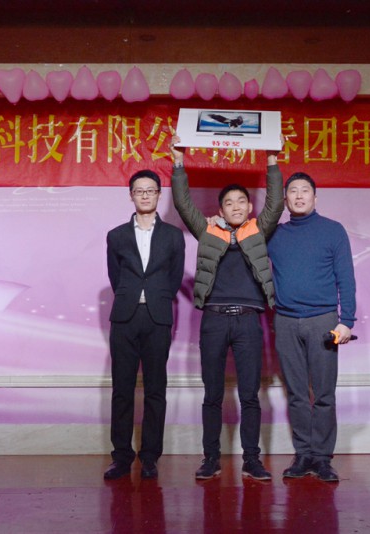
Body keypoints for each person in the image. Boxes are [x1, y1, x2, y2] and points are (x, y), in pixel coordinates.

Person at [170, 135, 283, 481]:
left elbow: (276, 203)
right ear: (220, 210)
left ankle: (252, 459)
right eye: (229, 203)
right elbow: (183, 203)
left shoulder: (258, 230)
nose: (235, 206)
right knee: (213, 394)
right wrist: (178, 162)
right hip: (214, 321)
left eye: (241, 201)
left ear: (249, 208)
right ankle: (211, 459)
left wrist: (272, 161)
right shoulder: (207, 231)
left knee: (250, 395)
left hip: (249, 322)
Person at [267, 172, 357, 483]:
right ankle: (303, 454)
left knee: (323, 393)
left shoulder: (333, 230)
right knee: (295, 393)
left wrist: (347, 321)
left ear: (315, 197)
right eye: (293, 191)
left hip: (323, 321)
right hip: (285, 320)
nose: (299, 196)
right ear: (285, 200)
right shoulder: (275, 234)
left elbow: (346, 277)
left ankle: (322, 458)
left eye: (305, 190)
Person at [104, 169, 186, 480]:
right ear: (131, 195)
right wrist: (132, 297)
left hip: (157, 317)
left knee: (155, 390)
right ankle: (121, 457)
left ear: (158, 195)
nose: (145, 195)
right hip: (125, 318)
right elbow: (116, 277)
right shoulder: (116, 236)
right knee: (122, 390)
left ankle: (150, 456)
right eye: (139, 191)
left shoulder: (173, 236)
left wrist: (156, 298)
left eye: (151, 190)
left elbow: (174, 278)